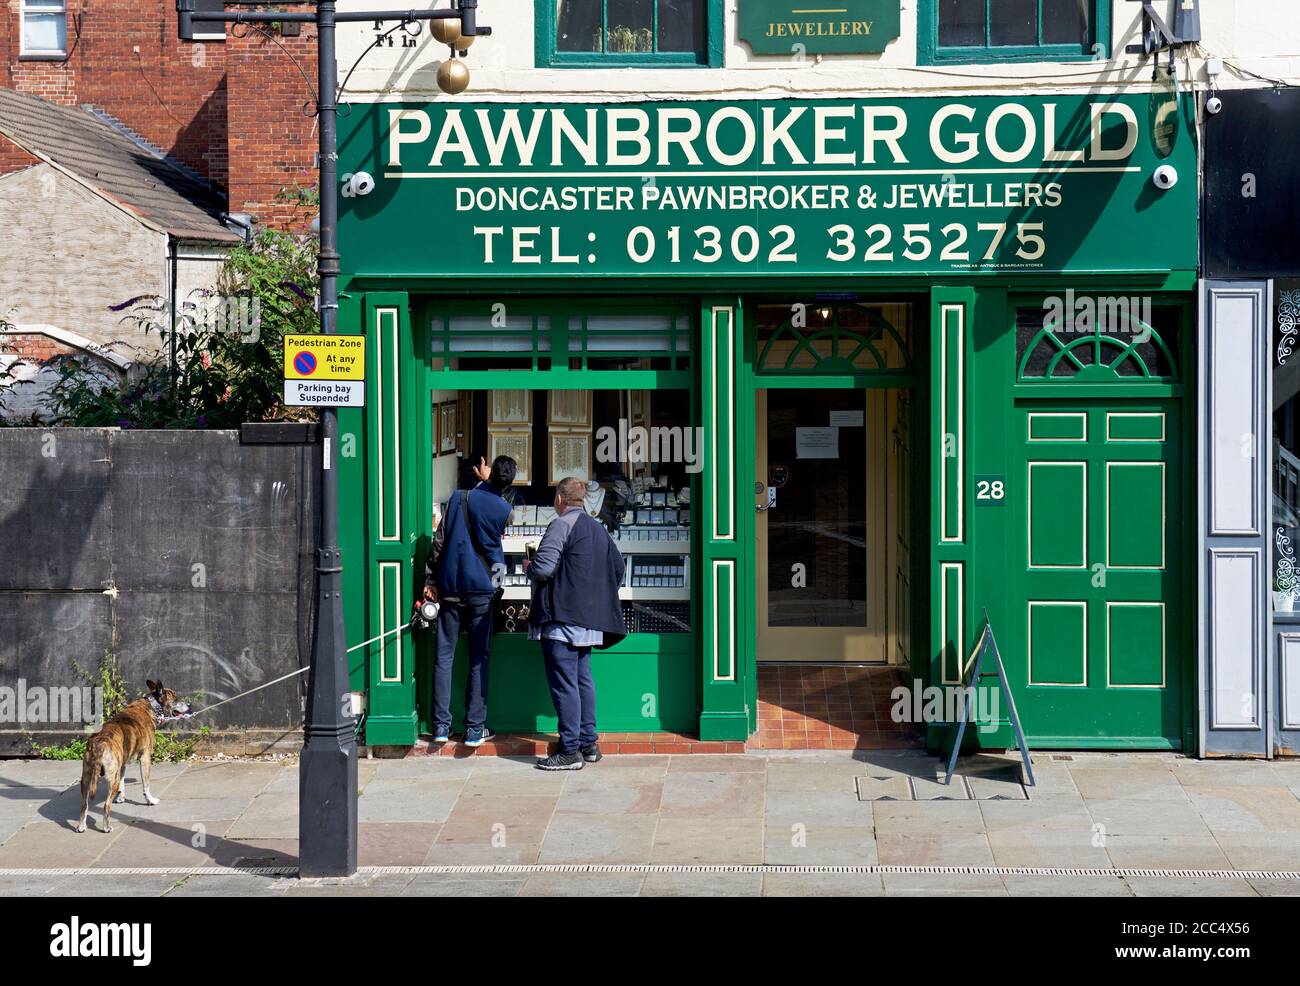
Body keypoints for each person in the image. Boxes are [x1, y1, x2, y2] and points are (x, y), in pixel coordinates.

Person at [526, 477, 626, 770]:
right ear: (584, 501)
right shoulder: (598, 528)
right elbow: (618, 569)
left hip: (562, 618)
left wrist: (529, 566)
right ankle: (588, 744)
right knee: (583, 680)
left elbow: (544, 568)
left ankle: (569, 751)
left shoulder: (561, 524)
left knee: (564, 685)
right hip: (589, 621)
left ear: (559, 499)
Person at [424, 455, 516, 746]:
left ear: (486, 473)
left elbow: (439, 542)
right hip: (482, 589)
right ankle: (475, 728)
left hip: (451, 585)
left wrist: (430, 580)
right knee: (479, 657)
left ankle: (440, 725)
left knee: (444, 657)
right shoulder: (505, 509)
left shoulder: (457, 498)